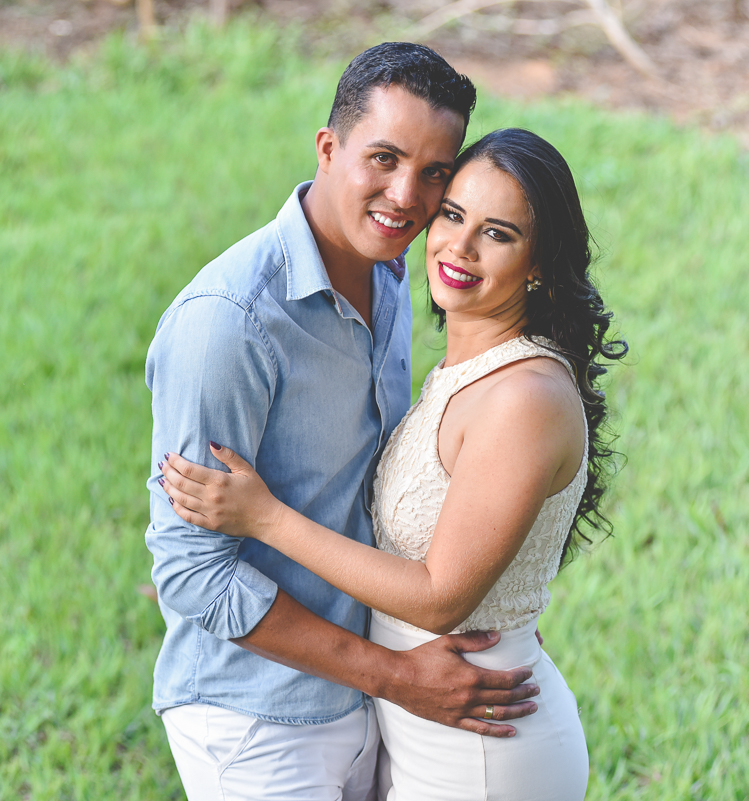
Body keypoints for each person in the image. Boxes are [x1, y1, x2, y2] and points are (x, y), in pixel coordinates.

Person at [160, 127, 629, 799]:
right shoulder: (468, 363)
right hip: (423, 725)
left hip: (479, 744)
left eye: (497, 233)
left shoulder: (523, 398)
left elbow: (440, 597)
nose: (459, 247)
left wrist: (266, 518)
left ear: (540, 264)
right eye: (453, 215)